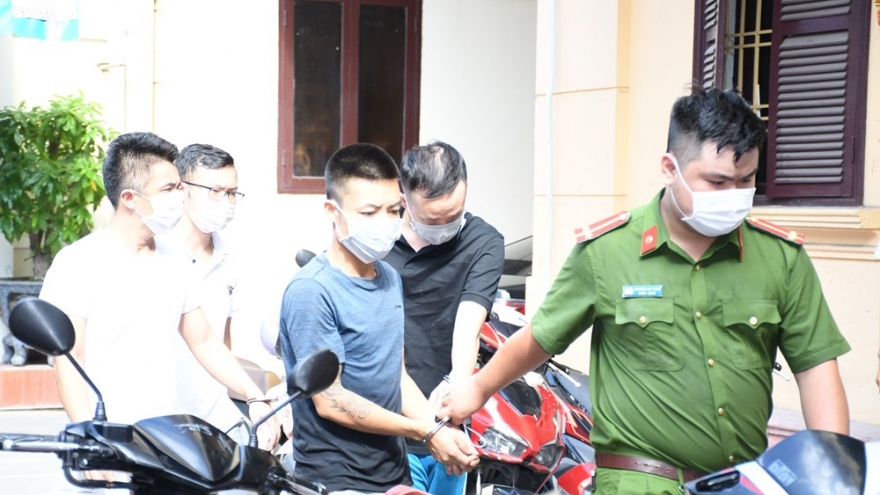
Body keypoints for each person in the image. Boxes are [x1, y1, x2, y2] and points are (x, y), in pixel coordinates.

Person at [439, 88, 851, 495]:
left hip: (741, 485)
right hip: (639, 481)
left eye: (746, 181)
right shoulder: (608, 251)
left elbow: (815, 368)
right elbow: (540, 339)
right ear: (670, 168)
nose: (733, 196)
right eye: (717, 181)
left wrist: (835, 476)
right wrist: (475, 389)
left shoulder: (780, 258)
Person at [40, 132, 278, 454]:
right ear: (130, 198)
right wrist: (89, 440)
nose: (180, 196)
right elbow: (69, 360)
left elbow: (205, 342)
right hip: (108, 440)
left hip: (164, 440)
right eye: (168, 189)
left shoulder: (175, 261)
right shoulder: (78, 262)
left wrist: (254, 396)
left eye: (180, 186)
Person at [278, 143, 479, 494]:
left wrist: (441, 429)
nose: (384, 222)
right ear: (332, 211)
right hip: (336, 481)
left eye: (393, 210)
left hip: (393, 472)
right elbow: (331, 401)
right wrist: (423, 431)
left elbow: (396, 376)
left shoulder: (388, 278)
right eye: (369, 212)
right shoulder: (312, 290)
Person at [384, 141, 504, 495]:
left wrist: (456, 387)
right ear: (404, 201)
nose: (446, 227)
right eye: (434, 220)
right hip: (388, 422)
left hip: (450, 419)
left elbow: (468, 327)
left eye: (455, 215)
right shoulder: (378, 243)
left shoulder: (483, 242)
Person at [162, 143, 248, 440]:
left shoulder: (229, 259)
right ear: (182, 189)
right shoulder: (157, 254)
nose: (226, 201)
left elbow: (223, 341)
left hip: (215, 420)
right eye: (215, 191)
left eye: (232, 192)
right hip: (162, 420)